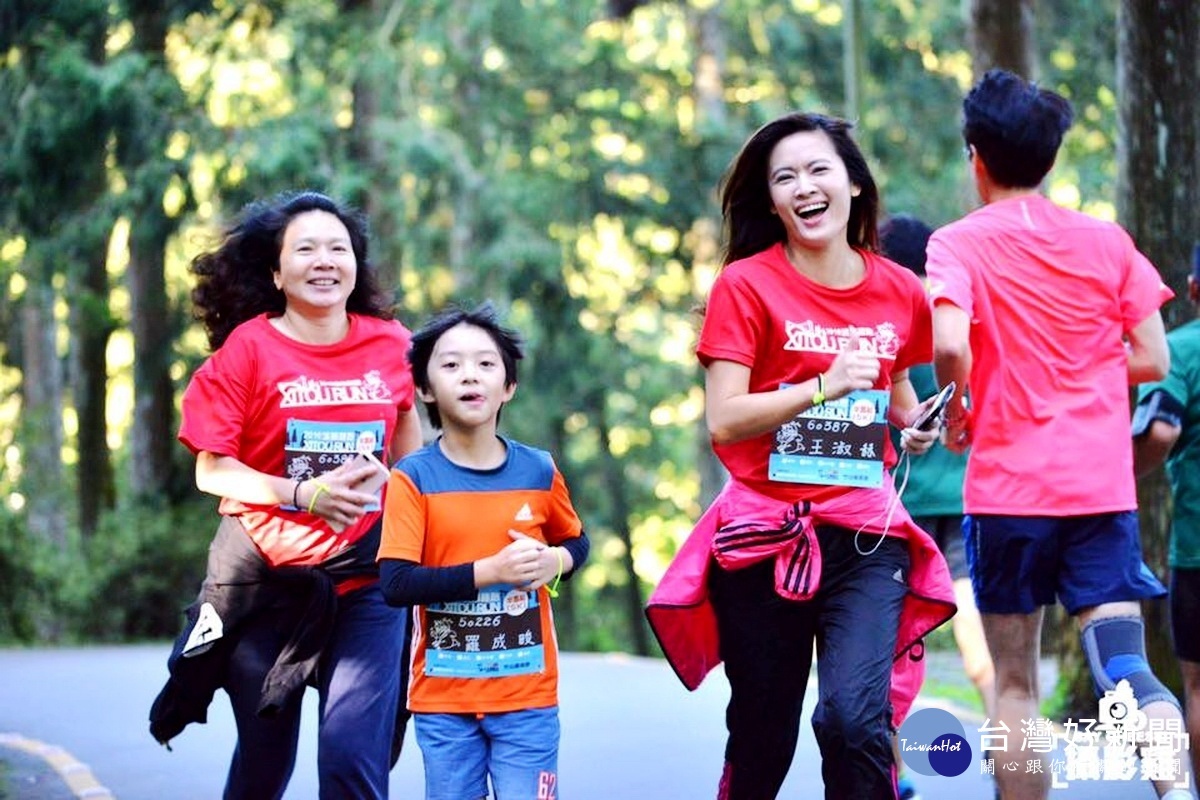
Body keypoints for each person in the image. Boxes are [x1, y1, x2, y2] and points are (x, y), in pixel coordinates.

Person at [645, 112, 957, 800]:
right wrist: (820, 387)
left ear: (853, 185)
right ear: (772, 201)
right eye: (784, 177)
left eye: (818, 170)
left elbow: (897, 387)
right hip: (764, 540)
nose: (804, 187)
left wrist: (914, 425)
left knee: (853, 721)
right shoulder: (747, 285)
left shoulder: (900, 290)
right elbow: (725, 421)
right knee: (763, 739)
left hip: (868, 538)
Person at [927, 69, 1191, 800]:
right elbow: (1153, 357)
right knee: (1126, 666)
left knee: (1014, 684)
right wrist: (1081, 371)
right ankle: (1179, 790)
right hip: (1098, 493)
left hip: (1009, 495)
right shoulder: (1107, 242)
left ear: (975, 155)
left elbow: (949, 341)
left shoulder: (956, 244)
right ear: (1049, 158)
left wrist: (960, 403)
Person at [148, 190, 423, 800]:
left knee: (353, 755)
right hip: (266, 582)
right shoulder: (248, 349)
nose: (324, 260)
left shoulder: (392, 344)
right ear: (277, 272)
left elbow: (412, 459)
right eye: (305, 248)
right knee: (265, 764)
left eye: (338, 247)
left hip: (366, 582)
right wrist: (305, 494)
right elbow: (213, 471)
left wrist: (397, 485)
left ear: (356, 265)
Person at [377, 302, 590, 800]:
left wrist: (554, 561)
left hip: (528, 698)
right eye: (450, 365)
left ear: (508, 386)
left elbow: (575, 542)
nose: (469, 375)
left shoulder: (538, 471)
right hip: (443, 701)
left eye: (485, 363)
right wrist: (489, 571)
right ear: (426, 388)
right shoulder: (413, 478)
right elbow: (396, 583)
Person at [881, 214, 996, 800]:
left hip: (904, 504)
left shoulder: (887, 320)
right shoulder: (959, 322)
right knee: (981, 644)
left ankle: (894, 774)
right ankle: (1010, 753)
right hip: (968, 495)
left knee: (888, 643)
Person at [1133, 244, 1200, 787]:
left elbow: (1161, 429)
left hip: (1197, 550)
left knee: (1199, 690)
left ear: (1194, 288)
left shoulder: (1178, 351)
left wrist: (1122, 474)